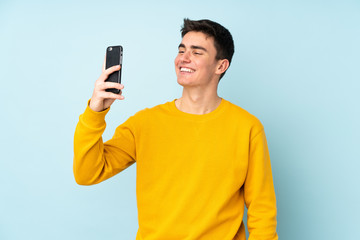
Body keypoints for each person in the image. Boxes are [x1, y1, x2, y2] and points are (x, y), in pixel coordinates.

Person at [73, 18, 278, 240]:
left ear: (221, 65)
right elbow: (87, 173)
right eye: (182, 50)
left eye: (197, 52)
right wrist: (94, 113)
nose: (184, 58)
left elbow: (262, 211)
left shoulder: (247, 127)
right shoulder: (145, 123)